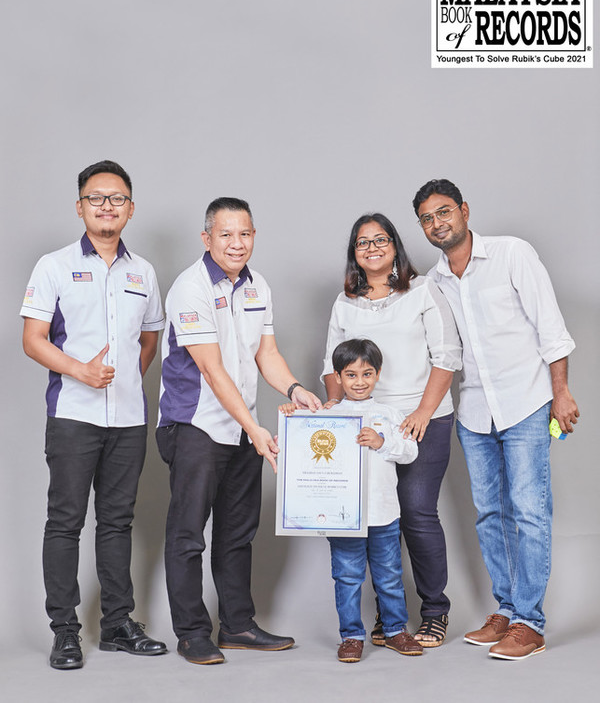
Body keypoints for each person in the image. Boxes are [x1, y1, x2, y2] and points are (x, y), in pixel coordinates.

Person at [413, 178, 579, 661]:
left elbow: (550, 327)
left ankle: (530, 622)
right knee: (490, 513)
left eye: (444, 212)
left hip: (527, 402)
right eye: (427, 218)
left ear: (464, 210)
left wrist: (561, 392)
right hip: (475, 410)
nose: (437, 223)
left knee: (529, 510)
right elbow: (444, 350)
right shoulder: (434, 280)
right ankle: (506, 609)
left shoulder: (512, 254)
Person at [156, 197, 322, 665]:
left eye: (245, 234)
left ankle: (238, 625)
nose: (236, 243)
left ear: (254, 237)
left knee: (236, 533)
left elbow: (265, 354)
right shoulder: (190, 288)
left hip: (242, 428)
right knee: (188, 535)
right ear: (207, 239)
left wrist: (295, 387)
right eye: (226, 234)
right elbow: (210, 368)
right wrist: (254, 428)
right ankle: (191, 633)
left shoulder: (257, 286)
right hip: (194, 427)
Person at [20, 160, 167, 670]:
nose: (108, 206)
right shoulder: (54, 266)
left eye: (117, 198)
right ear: (80, 206)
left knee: (117, 522)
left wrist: (126, 377)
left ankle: (117, 625)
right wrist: (80, 372)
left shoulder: (143, 272)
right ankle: (65, 631)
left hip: (127, 419)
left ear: (131, 208)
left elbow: (150, 340)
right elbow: (32, 340)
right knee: (65, 522)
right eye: (97, 198)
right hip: (73, 415)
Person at [322, 214, 462, 648]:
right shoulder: (346, 301)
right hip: (364, 422)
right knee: (373, 513)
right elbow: (331, 366)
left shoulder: (422, 291)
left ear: (395, 246)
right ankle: (389, 616)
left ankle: (434, 611)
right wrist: (335, 409)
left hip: (423, 417)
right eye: (362, 243)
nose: (372, 247)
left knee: (416, 513)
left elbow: (447, 355)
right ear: (354, 254)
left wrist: (422, 411)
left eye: (380, 239)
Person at [282, 338, 422, 662]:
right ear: (337, 377)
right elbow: (301, 442)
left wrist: (382, 441)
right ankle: (351, 636)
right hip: (343, 517)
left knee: (389, 576)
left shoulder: (389, 414)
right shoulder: (330, 413)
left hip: (384, 515)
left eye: (367, 374)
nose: (359, 382)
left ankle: (395, 631)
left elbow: (410, 451)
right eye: (351, 375)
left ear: (378, 375)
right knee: (347, 577)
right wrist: (293, 416)